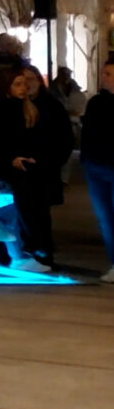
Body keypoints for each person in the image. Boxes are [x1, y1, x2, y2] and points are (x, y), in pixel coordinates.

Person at [0, 64, 74, 269]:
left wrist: (46, 162)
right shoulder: (8, 107)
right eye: (20, 82)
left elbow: (63, 140)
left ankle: (41, 255)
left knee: (36, 215)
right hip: (19, 172)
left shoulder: (49, 107)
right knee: (19, 214)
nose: (26, 86)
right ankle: (19, 254)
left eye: (29, 80)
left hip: (40, 171)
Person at [84, 61, 114, 273]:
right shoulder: (96, 102)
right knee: (105, 217)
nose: (103, 77)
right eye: (104, 73)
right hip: (96, 166)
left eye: (109, 74)